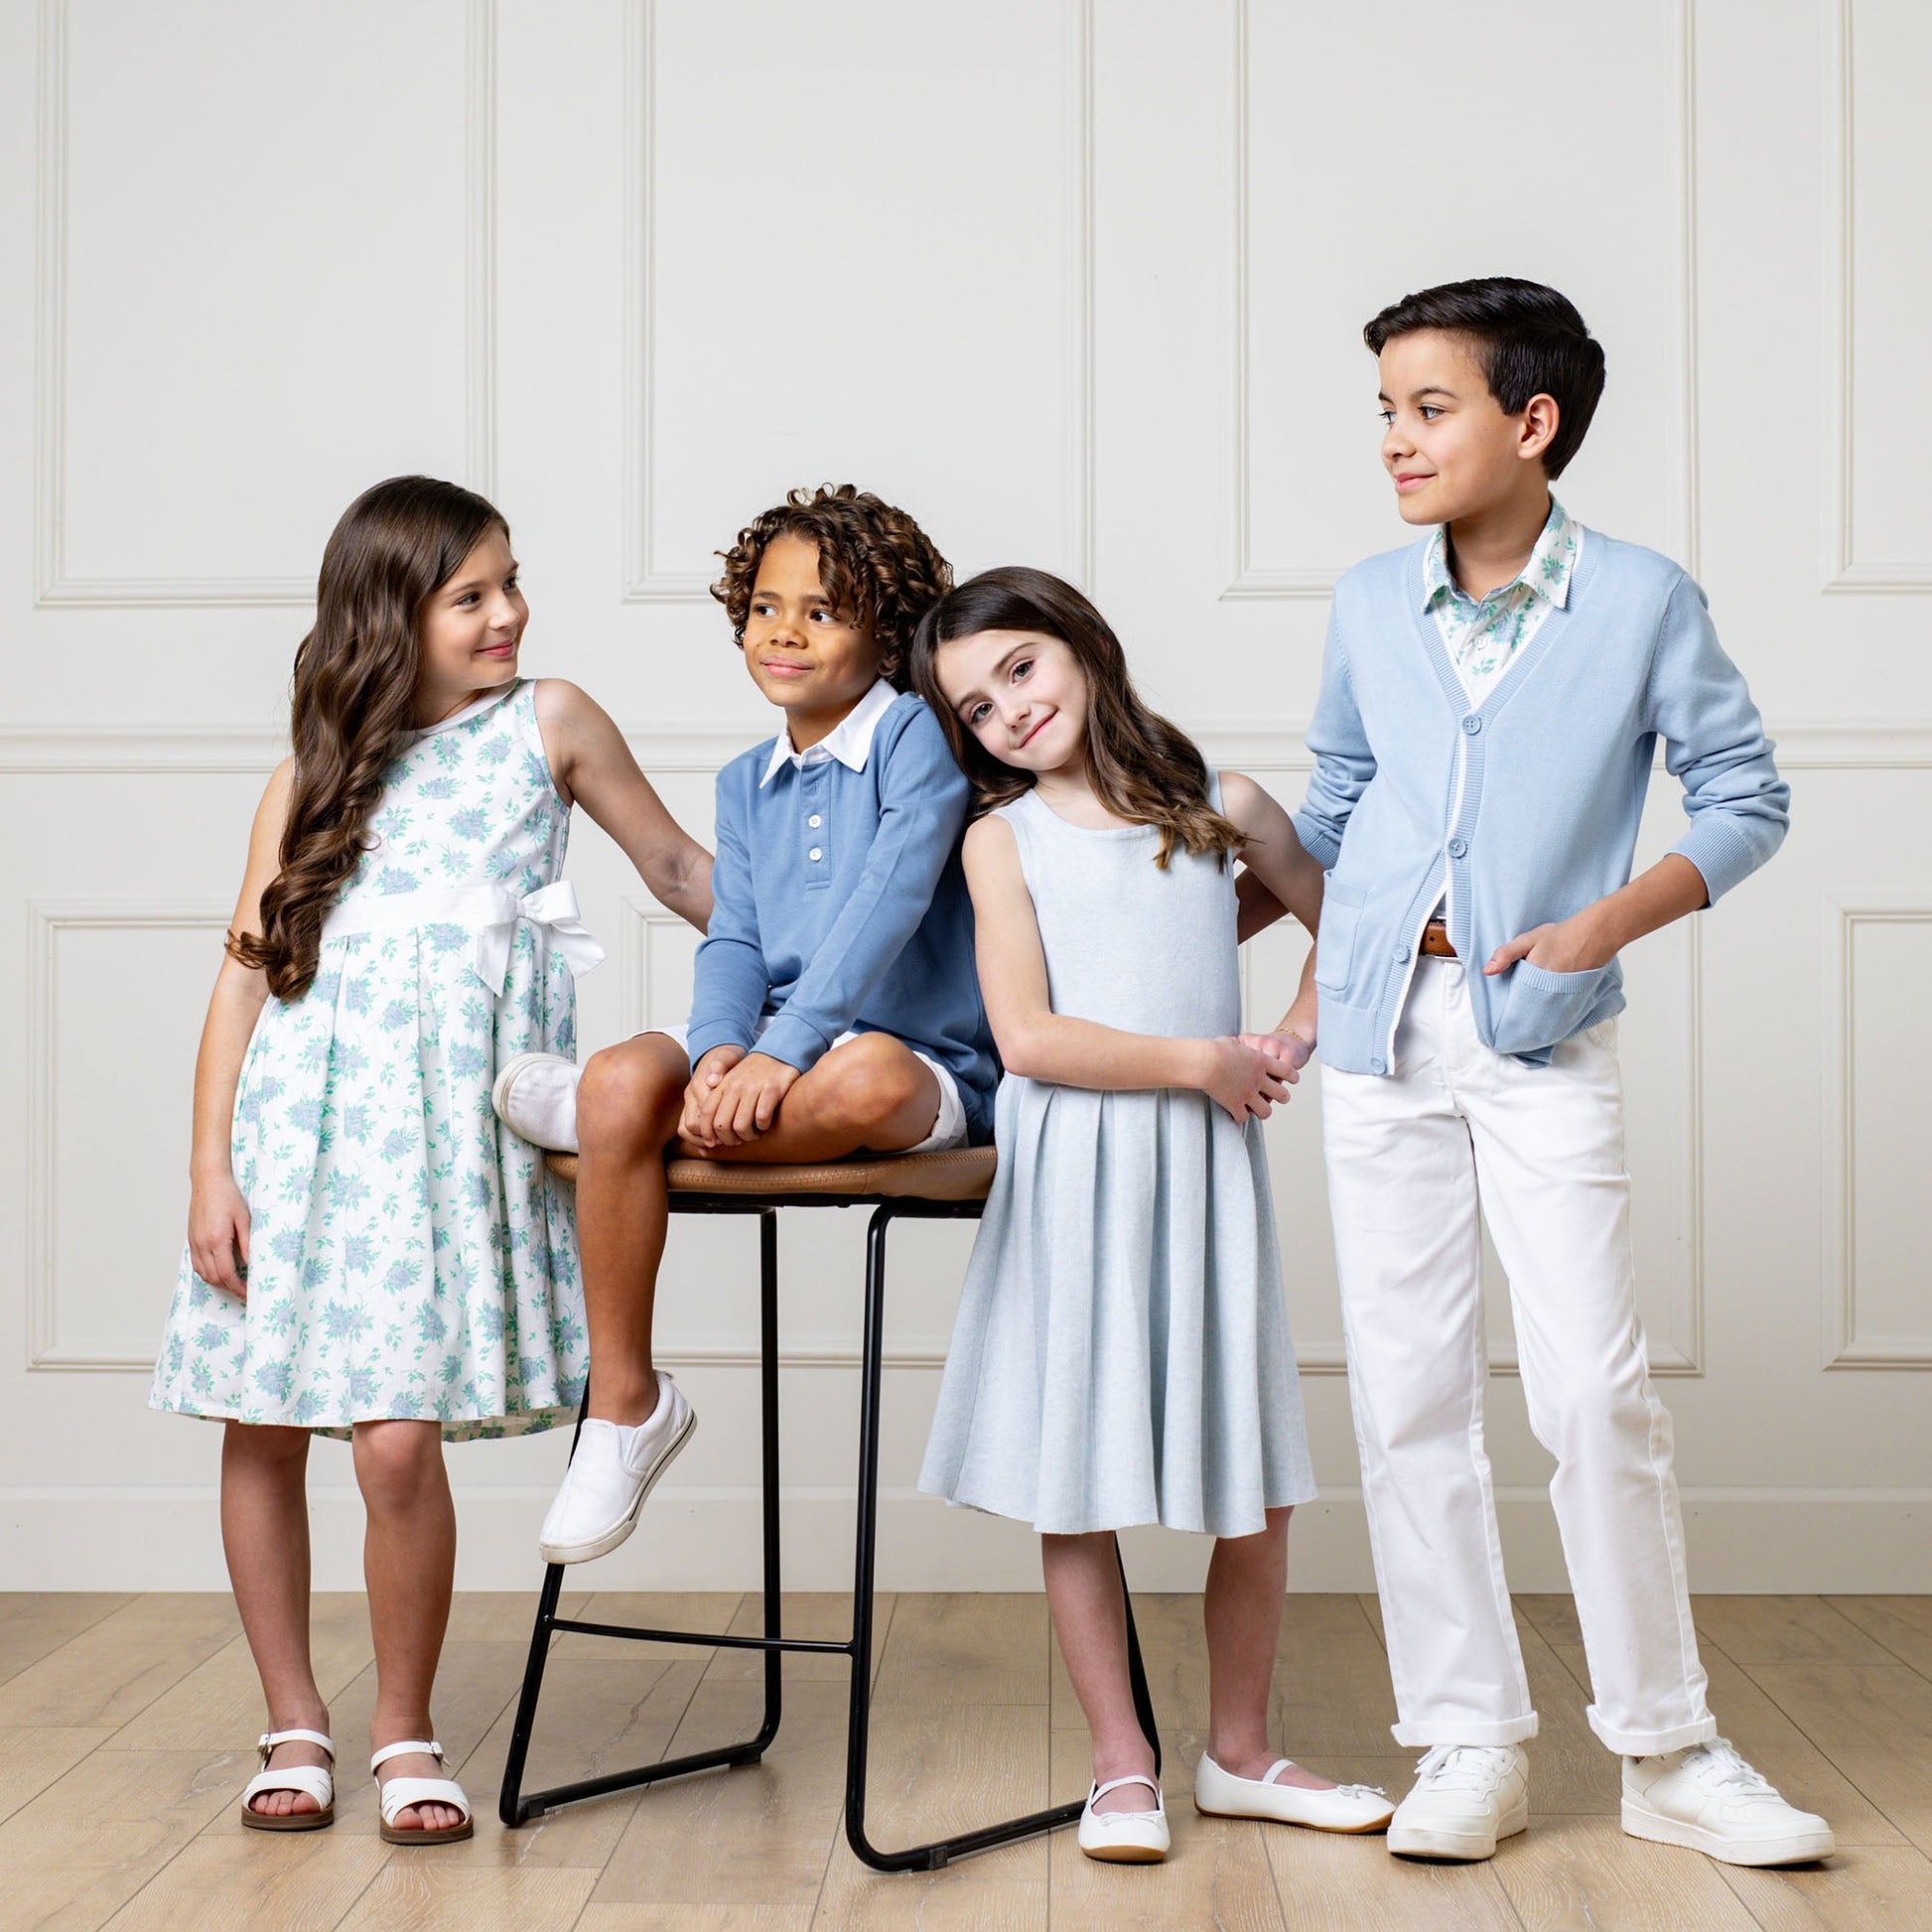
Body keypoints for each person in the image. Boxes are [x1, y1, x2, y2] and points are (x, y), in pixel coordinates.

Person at [1264, 278, 1833, 1866]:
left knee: (1593, 1389)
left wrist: (1602, 922)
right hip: (1377, 1039)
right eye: (1381, 409)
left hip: (1539, 1032)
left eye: (1425, 407)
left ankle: (1667, 1747)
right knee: (1408, 1398)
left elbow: (1742, 792)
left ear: (1532, 422)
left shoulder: (1641, 598)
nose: (1393, 439)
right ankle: (1466, 1734)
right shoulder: (1370, 602)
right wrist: (1233, 933)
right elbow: (1339, 808)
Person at [151, 476, 710, 1842]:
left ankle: (405, 1726)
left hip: (438, 1147)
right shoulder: (311, 774)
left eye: (512, 582)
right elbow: (243, 980)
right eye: (472, 595)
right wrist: (208, 1165)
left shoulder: (549, 723)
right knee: (265, 1417)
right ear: (389, 615)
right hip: (297, 1131)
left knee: (397, 1442)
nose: (509, 612)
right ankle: (294, 1717)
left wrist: (855, 939)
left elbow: (683, 871)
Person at [911, 567, 1395, 1863]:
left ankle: (1239, 1752)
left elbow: (1348, 925)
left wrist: (1292, 1032)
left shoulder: (1218, 807)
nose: (1007, 710)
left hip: (1204, 1175)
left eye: (1018, 667)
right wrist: (1204, 1061)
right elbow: (1027, 1035)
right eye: (973, 705)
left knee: (1255, 1484)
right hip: (1077, 1168)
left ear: (1077, 645)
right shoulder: (999, 840)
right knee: (1078, 1479)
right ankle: (1119, 1760)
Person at [492, 485, 998, 1566]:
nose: (783, 629)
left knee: (858, 1076)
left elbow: (887, 904)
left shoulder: (918, 736)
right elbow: (733, 937)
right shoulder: (746, 780)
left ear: (886, 630)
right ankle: (625, 1403)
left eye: (822, 610)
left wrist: (782, 1048)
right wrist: (725, 1046)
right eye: (766, 605)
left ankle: (601, 1128)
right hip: (769, 1054)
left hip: (914, 1060)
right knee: (632, 1069)